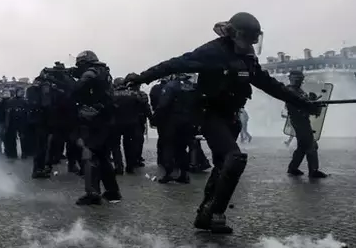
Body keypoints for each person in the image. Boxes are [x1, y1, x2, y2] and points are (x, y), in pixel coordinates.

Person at [125, 12, 321, 234]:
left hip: (231, 115)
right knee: (235, 158)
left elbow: (269, 84)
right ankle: (216, 212)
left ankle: (205, 215)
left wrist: (303, 103)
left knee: (222, 166)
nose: (250, 45)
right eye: (247, 39)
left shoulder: (247, 58)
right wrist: (142, 77)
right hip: (209, 113)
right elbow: (175, 64)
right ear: (235, 34)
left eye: (253, 41)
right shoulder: (212, 52)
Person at [72, 50, 121, 205]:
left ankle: (92, 193)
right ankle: (112, 192)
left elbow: (78, 89)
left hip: (96, 119)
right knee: (103, 156)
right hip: (107, 119)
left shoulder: (91, 72)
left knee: (90, 154)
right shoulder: (104, 72)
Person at [285, 70, 327, 178]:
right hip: (299, 121)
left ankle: (293, 168)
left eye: (300, 79)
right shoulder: (290, 90)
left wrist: (313, 101)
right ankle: (313, 171)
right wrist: (311, 102)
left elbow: (306, 103)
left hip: (303, 120)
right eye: (296, 78)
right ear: (290, 79)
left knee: (303, 146)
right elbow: (302, 103)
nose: (298, 81)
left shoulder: (299, 90)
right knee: (311, 145)